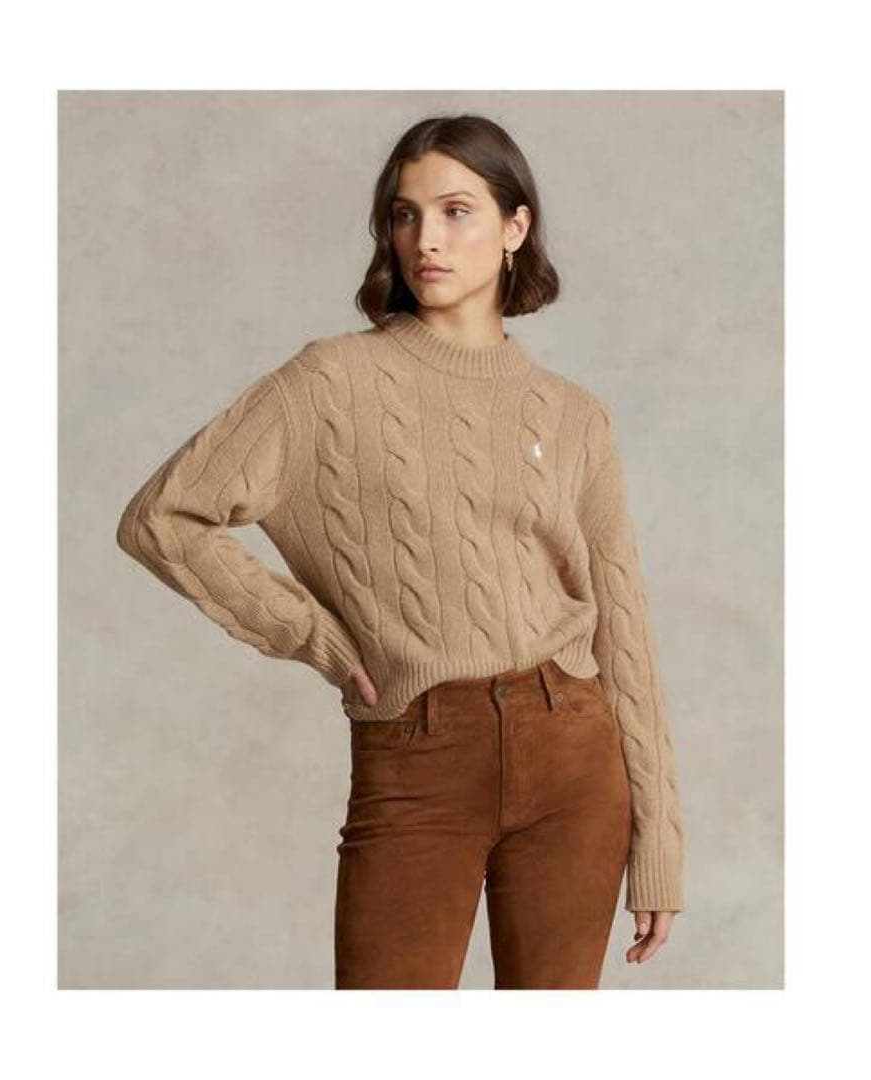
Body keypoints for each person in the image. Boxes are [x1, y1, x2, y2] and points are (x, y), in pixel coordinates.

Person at [116, 113, 686, 989]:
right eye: (405, 214)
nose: (427, 239)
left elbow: (624, 627)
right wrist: (313, 636)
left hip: (574, 750)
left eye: (457, 211)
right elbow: (164, 518)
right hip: (420, 749)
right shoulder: (330, 381)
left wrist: (660, 843)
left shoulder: (575, 415)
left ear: (515, 227)